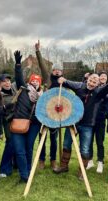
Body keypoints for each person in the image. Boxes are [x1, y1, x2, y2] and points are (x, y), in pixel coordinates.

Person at [54, 71, 108, 180]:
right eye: (90, 80)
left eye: (94, 82)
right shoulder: (79, 86)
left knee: (85, 149)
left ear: (97, 83)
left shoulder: (99, 92)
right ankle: (63, 166)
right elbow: (67, 83)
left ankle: (82, 171)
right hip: (73, 122)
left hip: (88, 124)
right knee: (67, 144)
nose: (91, 83)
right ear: (87, 80)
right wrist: (61, 79)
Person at [11, 50, 43, 183]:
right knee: (19, 150)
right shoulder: (23, 89)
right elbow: (18, 77)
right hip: (19, 122)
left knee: (28, 149)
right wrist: (18, 64)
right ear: (30, 81)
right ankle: (23, 175)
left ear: (40, 83)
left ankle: (28, 172)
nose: (35, 83)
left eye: (37, 82)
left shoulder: (42, 96)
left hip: (34, 124)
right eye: (33, 81)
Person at [35, 41, 62, 170]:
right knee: (42, 137)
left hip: (56, 114)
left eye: (59, 70)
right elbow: (42, 65)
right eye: (55, 70)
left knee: (54, 138)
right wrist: (38, 51)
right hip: (44, 112)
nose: (57, 72)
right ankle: (41, 160)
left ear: (61, 72)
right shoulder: (48, 78)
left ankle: (53, 160)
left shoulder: (63, 82)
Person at [87, 71, 108, 173]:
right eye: (101, 76)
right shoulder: (93, 89)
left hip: (100, 120)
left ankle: (100, 162)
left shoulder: (105, 90)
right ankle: (90, 160)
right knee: (89, 141)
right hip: (90, 120)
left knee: (100, 142)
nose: (103, 77)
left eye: (105, 76)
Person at [0, 74, 18, 177]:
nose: (7, 83)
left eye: (9, 81)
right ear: (0, 83)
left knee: (17, 143)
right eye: (4, 81)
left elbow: (19, 76)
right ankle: (4, 168)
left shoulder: (14, 89)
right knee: (10, 143)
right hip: (8, 121)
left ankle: (16, 164)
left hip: (19, 121)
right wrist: (0, 130)